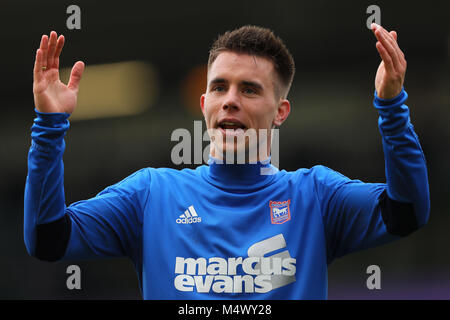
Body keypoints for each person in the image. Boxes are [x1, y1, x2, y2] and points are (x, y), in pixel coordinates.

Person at [24, 24, 430, 299]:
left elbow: (407, 212)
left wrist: (391, 107)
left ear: (281, 111)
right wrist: (49, 126)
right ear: (204, 105)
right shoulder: (151, 194)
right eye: (219, 87)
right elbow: (46, 239)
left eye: (250, 89)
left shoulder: (315, 196)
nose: (230, 99)